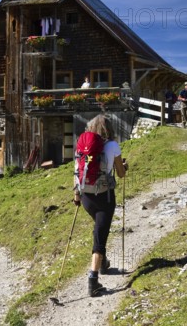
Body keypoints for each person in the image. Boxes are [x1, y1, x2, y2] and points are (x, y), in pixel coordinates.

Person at [73, 115, 127, 296]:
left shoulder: (83, 146)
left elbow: (77, 170)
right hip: (105, 197)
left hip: (86, 197)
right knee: (100, 236)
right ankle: (93, 280)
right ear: (109, 128)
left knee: (99, 228)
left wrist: (76, 196)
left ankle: (103, 263)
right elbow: (120, 174)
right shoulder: (112, 146)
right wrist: (124, 166)